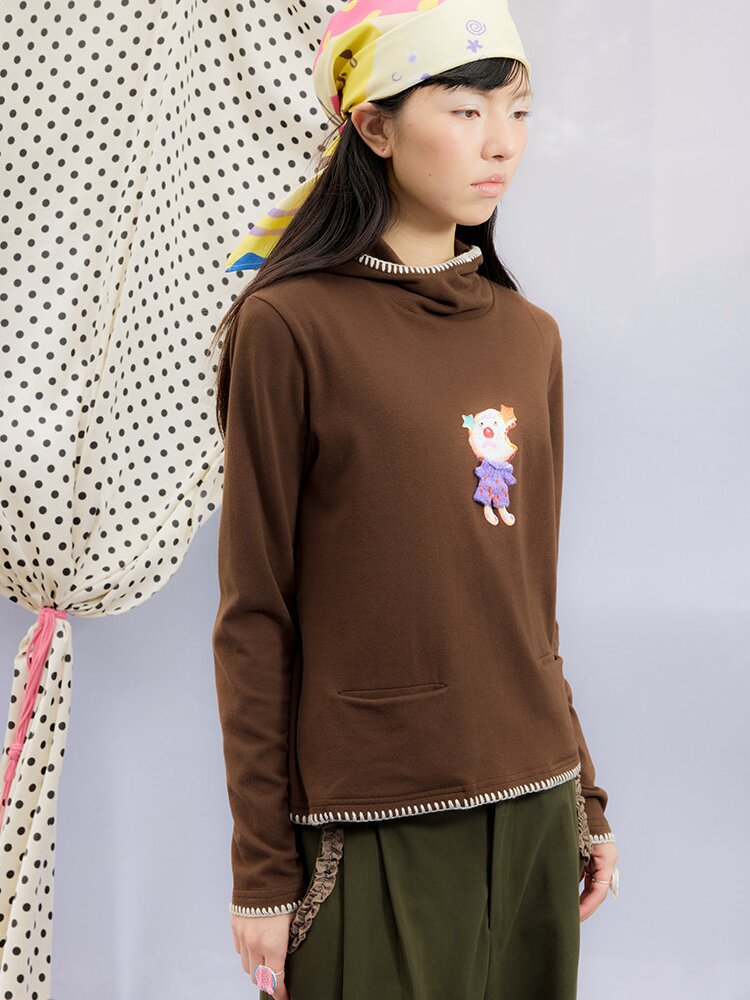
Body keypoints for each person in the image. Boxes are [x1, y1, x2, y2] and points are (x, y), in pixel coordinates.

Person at [210, 1, 619, 997]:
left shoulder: (530, 337)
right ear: (375, 127)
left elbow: (525, 603)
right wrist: (262, 870)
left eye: (517, 111)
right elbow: (256, 616)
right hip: (373, 817)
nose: (501, 143)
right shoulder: (288, 327)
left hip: (535, 803)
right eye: (467, 111)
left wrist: (586, 798)